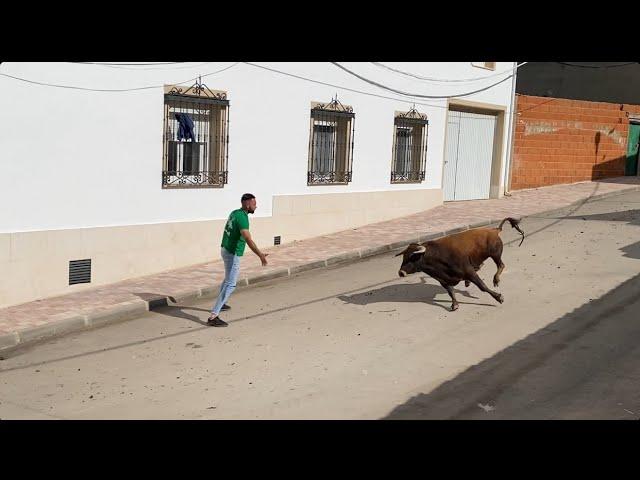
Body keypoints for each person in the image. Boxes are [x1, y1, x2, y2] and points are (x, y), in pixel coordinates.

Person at [208, 193, 268, 327]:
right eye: (254, 204)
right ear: (247, 204)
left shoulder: (235, 213)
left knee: (227, 279)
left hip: (225, 249)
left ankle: (221, 304)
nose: (256, 206)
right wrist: (260, 255)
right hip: (232, 253)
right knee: (231, 284)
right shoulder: (242, 218)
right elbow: (248, 238)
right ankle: (213, 316)